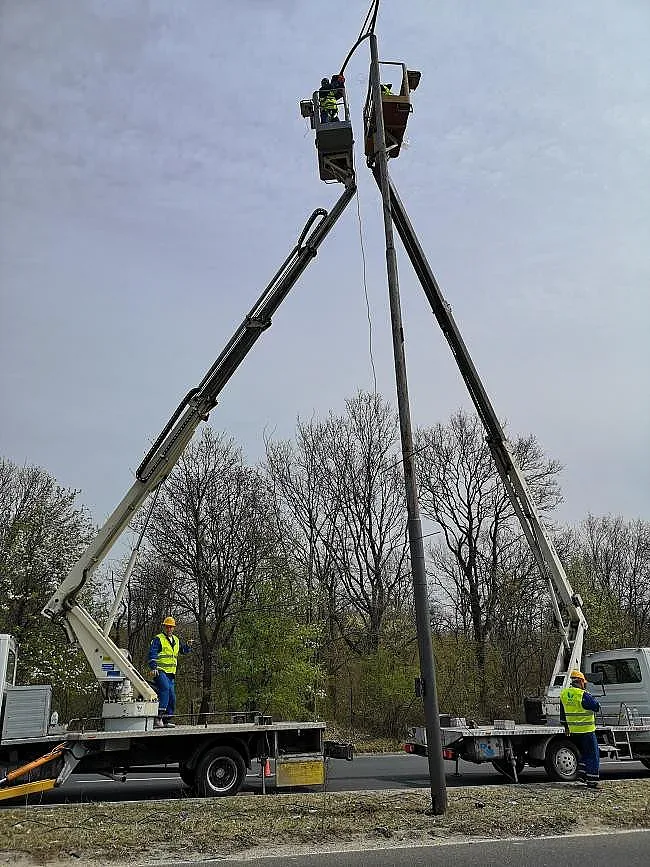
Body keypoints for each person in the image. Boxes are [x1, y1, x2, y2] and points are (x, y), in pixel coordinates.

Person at [560, 669, 601, 788]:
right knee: (593, 755)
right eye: (584, 682)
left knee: (583, 754)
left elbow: (563, 714)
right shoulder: (583, 695)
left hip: (574, 731)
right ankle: (592, 780)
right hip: (587, 730)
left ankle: (582, 777)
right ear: (580, 681)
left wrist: (566, 727)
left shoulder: (564, 694)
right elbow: (596, 706)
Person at [148, 616, 191, 728]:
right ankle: (158, 718)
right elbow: (152, 653)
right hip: (160, 671)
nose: (169, 629)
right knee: (165, 689)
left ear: (173, 628)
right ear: (164, 627)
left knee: (172, 696)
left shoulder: (176, 640)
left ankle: (166, 719)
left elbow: (182, 650)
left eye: (171, 627)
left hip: (171, 674)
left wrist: (187, 646)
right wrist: (153, 667)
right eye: (167, 627)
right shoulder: (158, 639)